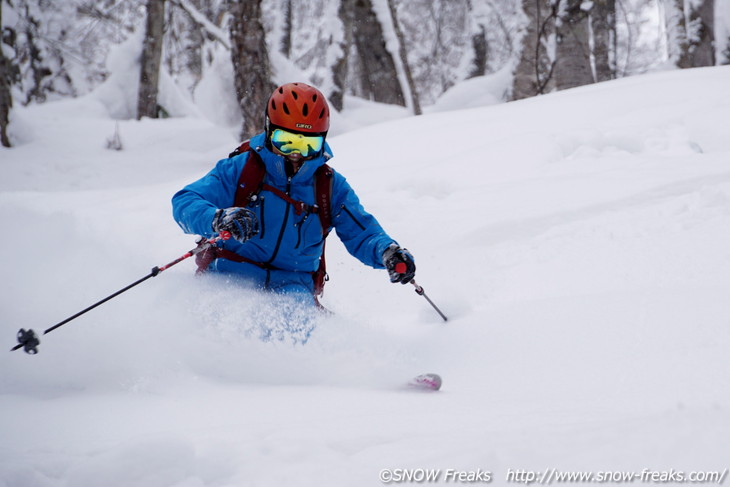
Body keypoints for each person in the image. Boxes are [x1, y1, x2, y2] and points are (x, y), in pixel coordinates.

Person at [172, 82, 415, 308]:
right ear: (269, 131)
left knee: (299, 333)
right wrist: (217, 218)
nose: (296, 154)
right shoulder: (242, 169)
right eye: (286, 141)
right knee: (224, 323)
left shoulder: (329, 186)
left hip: (292, 288)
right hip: (231, 275)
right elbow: (185, 201)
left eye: (308, 144)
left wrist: (387, 252)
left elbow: (362, 232)